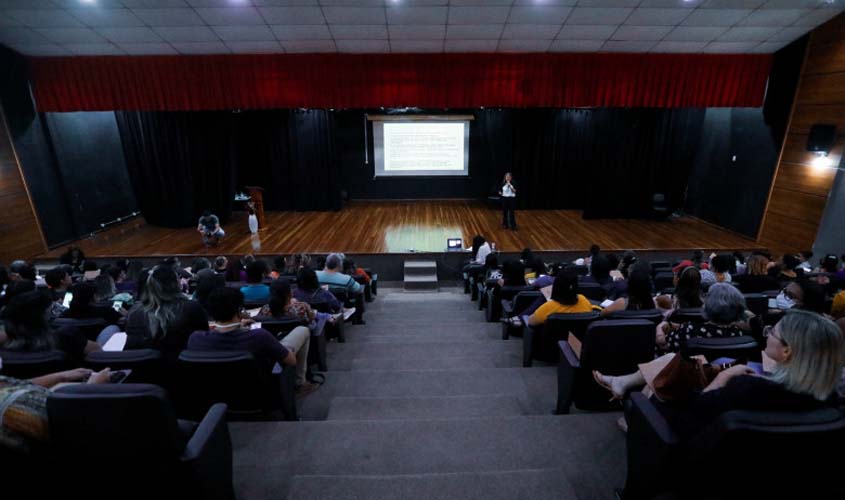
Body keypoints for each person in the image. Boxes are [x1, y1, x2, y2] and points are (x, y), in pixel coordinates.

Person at [593, 284, 751, 399]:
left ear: (709, 306)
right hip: (721, 382)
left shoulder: (691, 331)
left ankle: (627, 395)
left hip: (688, 381)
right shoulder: (742, 336)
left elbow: (662, 343)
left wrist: (661, 327)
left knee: (665, 365)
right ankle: (623, 387)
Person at [187, 287, 318, 396]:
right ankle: (300, 384)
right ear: (239, 311)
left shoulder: (195, 338)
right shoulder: (259, 336)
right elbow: (291, 361)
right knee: (302, 330)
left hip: (217, 398)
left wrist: (238, 326)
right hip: (261, 394)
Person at [124, 266, 209, 362]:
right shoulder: (191, 307)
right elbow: (203, 336)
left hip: (143, 371)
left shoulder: (135, 311)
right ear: (176, 284)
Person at [1, 291, 100, 361]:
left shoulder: (4, 346)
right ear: (46, 316)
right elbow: (98, 352)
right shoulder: (67, 335)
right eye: (51, 309)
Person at [526, 271, 598, 327]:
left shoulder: (548, 307)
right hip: (576, 343)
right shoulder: (584, 300)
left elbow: (531, 322)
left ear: (556, 286)